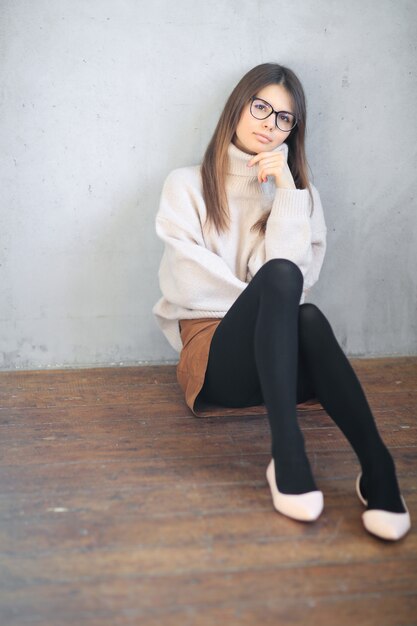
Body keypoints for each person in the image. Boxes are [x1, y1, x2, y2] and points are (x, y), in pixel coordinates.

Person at [153, 62, 411, 541]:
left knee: (305, 313)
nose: (269, 124)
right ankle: (287, 453)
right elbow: (191, 285)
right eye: (260, 107)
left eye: (284, 119)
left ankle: (377, 467)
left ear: (294, 130)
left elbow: (298, 285)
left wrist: (289, 193)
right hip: (216, 365)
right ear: (237, 107)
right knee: (281, 285)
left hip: (279, 367)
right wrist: (267, 298)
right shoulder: (185, 185)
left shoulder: (299, 194)